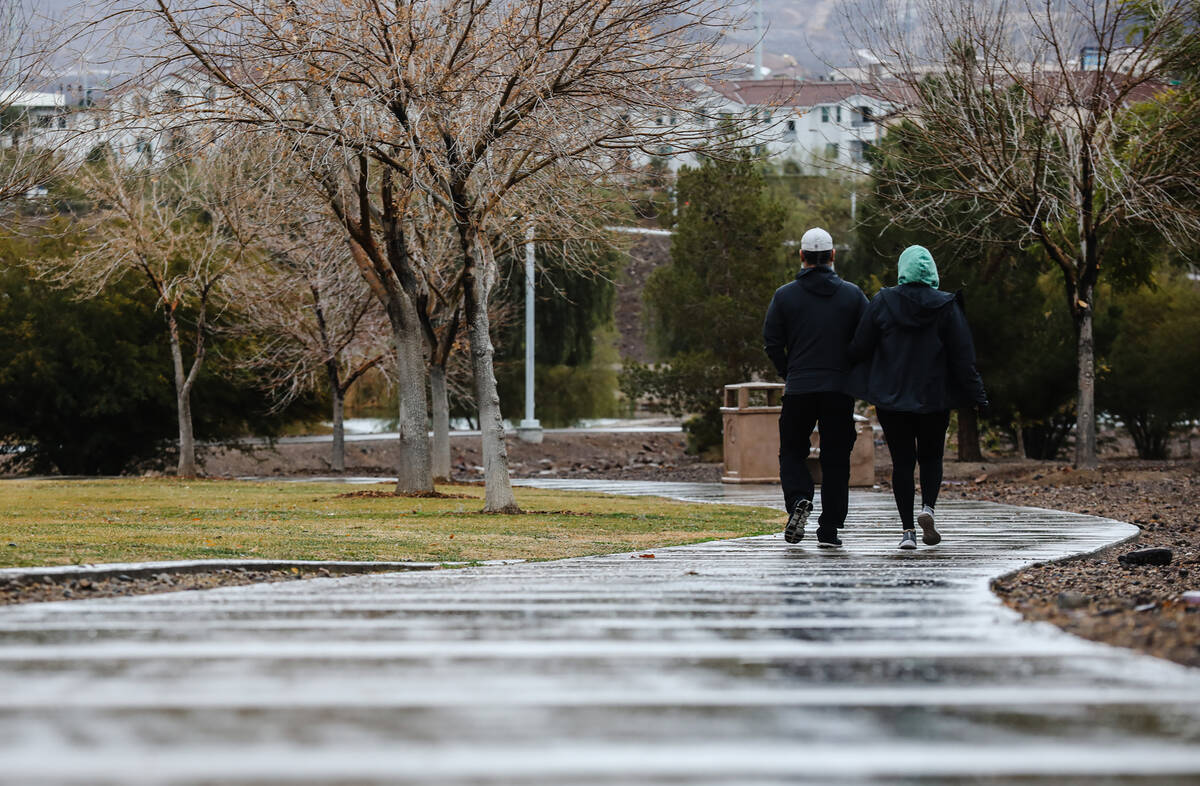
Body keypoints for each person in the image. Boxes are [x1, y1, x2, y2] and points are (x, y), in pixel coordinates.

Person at [848, 245, 987, 550]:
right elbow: (963, 357)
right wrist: (977, 395)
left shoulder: (883, 301)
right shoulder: (948, 305)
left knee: (902, 462)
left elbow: (859, 347)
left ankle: (908, 531)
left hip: (891, 398)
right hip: (934, 398)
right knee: (931, 457)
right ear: (932, 272)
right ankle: (929, 508)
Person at [763, 227, 868, 548]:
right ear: (833, 256)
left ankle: (798, 499)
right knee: (836, 458)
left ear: (802, 256)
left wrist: (789, 372)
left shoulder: (784, 296)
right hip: (838, 390)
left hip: (800, 388)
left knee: (792, 452)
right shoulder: (853, 295)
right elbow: (867, 339)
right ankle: (830, 529)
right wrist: (850, 371)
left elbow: (771, 341)